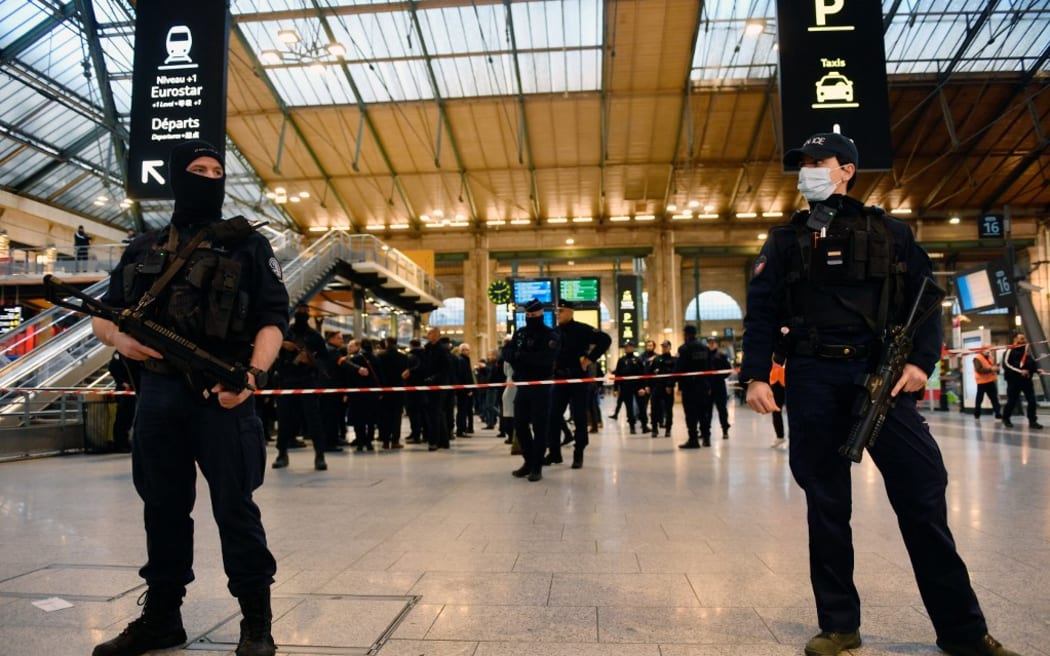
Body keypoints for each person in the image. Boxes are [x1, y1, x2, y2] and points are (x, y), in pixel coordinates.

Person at [740, 131, 1021, 656]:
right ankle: (840, 626)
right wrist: (756, 374)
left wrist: (921, 361)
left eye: (818, 161)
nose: (807, 171)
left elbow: (926, 298)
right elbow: (761, 312)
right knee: (826, 504)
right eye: (802, 164)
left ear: (846, 168)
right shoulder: (784, 241)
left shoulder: (891, 232)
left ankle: (963, 632)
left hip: (881, 377)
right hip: (813, 377)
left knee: (922, 496)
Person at [91, 139, 288, 656]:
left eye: (217, 170)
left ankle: (256, 622)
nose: (209, 177)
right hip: (157, 394)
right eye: (198, 169)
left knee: (234, 508)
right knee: (162, 507)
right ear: (178, 178)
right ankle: (162, 618)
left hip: (222, 394)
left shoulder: (249, 246)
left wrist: (252, 376)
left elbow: (273, 319)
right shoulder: (144, 246)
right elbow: (103, 315)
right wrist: (118, 338)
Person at [548, 299, 611, 468]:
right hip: (559, 379)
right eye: (557, 311)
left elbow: (605, 340)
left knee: (579, 416)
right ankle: (554, 453)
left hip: (577, 378)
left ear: (570, 312)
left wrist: (590, 359)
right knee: (553, 416)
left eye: (561, 311)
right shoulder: (554, 332)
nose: (558, 314)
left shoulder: (582, 329)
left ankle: (579, 453)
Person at [504, 298, 560, 481]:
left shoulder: (550, 335)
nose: (530, 318)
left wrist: (521, 357)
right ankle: (528, 460)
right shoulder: (520, 333)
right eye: (527, 315)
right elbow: (507, 353)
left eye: (533, 315)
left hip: (541, 386)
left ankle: (537, 466)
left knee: (540, 426)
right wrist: (522, 357)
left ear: (540, 314)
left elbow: (544, 360)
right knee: (519, 424)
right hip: (523, 384)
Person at [272, 304, 328, 469]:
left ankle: (320, 455)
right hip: (287, 381)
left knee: (314, 421)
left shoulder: (315, 337)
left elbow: (324, 362)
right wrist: (283, 344)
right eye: (300, 311)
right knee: (284, 420)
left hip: (307, 381)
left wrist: (309, 360)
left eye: (305, 311)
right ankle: (282, 453)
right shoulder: (286, 333)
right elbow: (270, 346)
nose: (302, 313)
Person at [674, 325, 712, 449]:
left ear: (686, 334)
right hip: (703, 385)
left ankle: (693, 439)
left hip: (689, 386)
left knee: (691, 414)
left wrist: (672, 383)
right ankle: (706, 438)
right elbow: (710, 367)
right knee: (703, 413)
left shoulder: (684, 348)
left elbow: (679, 368)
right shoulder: (705, 348)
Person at [1002, 332, 1043, 429]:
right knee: (1012, 401)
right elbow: (1006, 365)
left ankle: (1032, 421)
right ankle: (1006, 418)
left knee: (1032, 400)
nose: (1023, 340)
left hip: (1026, 381)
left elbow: (1030, 363)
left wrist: (1036, 370)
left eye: (1024, 339)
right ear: (1015, 340)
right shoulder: (1009, 351)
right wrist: (1020, 371)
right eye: (1021, 339)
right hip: (1014, 381)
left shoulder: (1026, 351)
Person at [376, 336, 409, 449]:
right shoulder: (403, 357)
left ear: (386, 343)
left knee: (385, 416)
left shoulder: (380, 356)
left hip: (384, 390)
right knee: (396, 416)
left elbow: (378, 374)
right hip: (398, 390)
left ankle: (385, 441)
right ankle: (395, 441)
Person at [612, 340, 647, 434]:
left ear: (632, 347)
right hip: (626, 387)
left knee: (642, 406)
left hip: (638, 387)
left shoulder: (638, 360)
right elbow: (617, 375)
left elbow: (643, 375)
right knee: (629, 407)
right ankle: (632, 426)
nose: (626, 348)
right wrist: (616, 389)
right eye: (625, 347)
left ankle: (644, 425)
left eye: (628, 347)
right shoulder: (621, 360)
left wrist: (643, 387)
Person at [646, 340, 676, 438]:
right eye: (663, 347)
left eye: (666, 346)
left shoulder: (674, 360)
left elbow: (674, 375)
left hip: (668, 388)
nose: (664, 348)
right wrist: (648, 386)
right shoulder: (656, 360)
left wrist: (670, 385)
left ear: (670, 348)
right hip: (657, 387)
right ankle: (654, 429)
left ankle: (668, 429)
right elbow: (650, 373)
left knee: (668, 410)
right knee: (654, 408)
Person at [705, 339, 732, 439]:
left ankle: (725, 430)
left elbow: (728, 370)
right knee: (707, 410)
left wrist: (720, 377)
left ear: (716, 344)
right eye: (709, 343)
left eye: (713, 342)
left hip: (719, 386)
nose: (711, 344)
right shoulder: (705, 356)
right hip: (707, 387)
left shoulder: (722, 356)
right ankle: (706, 431)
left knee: (722, 409)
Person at [972, 345, 1002, 421]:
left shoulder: (990, 357)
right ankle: (977, 414)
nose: (988, 351)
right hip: (981, 382)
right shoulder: (977, 358)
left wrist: (996, 368)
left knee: (994, 398)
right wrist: (991, 369)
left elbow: (992, 366)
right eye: (986, 350)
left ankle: (998, 414)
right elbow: (979, 370)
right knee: (979, 399)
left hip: (990, 381)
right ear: (982, 350)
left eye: (989, 350)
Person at [768, 354, 787, 449]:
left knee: (795, 412)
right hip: (776, 382)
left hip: (790, 380)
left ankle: (794, 437)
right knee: (776, 410)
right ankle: (780, 436)